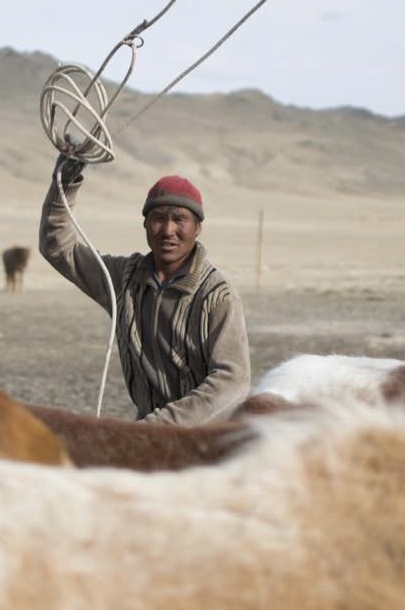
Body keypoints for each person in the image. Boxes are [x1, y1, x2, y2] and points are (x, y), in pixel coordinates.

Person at [40, 155, 250, 424]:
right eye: (158, 218)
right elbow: (58, 247)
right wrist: (67, 178)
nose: (168, 230)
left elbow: (231, 383)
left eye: (180, 219)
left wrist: (158, 427)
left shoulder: (217, 296)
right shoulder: (124, 279)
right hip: (147, 431)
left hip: (205, 435)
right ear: (145, 224)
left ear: (198, 228)